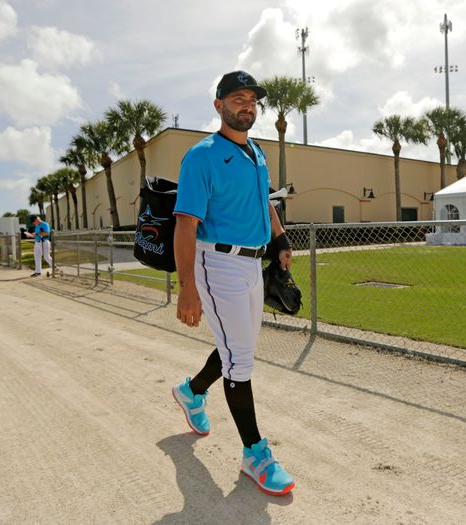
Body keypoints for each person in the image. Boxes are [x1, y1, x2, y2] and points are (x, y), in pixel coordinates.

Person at [171, 70, 295, 496]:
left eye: (252, 100)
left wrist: (280, 239)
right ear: (219, 105)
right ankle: (255, 454)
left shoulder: (256, 153)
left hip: (251, 264)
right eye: (238, 98)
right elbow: (185, 224)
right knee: (240, 361)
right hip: (216, 263)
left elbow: (264, 202)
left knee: (236, 348)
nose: (247, 105)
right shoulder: (202, 156)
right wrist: (187, 287)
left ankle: (191, 391)